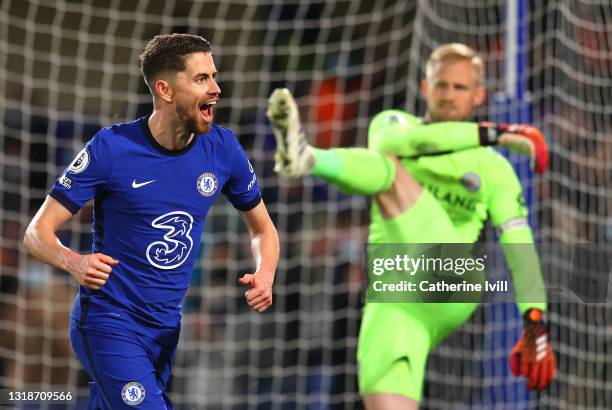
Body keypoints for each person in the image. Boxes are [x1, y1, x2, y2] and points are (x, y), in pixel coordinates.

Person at [267, 43, 555, 409]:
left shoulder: (493, 168)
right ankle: (302, 157)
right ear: (424, 88)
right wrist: (495, 132)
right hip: (394, 296)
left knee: (390, 172)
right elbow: (398, 142)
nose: (449, 95)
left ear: (479, 95)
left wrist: (534, 318)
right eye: (442, 85)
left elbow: (520, 245)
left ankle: (306, 158)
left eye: (460, 87)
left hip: (451, 277)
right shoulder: (394, 125)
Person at [23, 33, 279, 409]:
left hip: (164, 329)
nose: (216, 89)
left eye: (214, 76)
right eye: (201, 79)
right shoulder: (112, 148)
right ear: (165, 89)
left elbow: (263, 229)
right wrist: (74, 262)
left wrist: (266, 272)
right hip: (108, 321)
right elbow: (36, 233)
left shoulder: (223, 149)